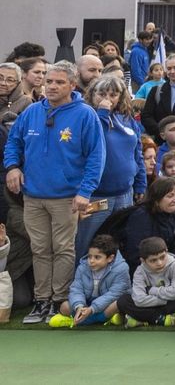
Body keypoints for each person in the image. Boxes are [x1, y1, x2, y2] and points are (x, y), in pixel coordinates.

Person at [4, 62, 106, 324]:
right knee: (39, 249)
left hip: (67, 197)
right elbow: (14, 142)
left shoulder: (85, 114)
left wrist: (85, 191)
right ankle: (41, 301)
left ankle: (59, 299)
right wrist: (12, 167)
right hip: (33, 195)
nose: (52, 86)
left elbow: (96, 156)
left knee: (62, 249)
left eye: (59, 82)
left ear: (72, 85)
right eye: (49, 81)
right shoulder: (32, 111)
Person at [80, 75, 145, 259]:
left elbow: (137, 153)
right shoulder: (87, 118)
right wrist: (102, 113)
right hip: (97, 195)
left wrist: (141, 184)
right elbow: (92, 140)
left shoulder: (127, 119)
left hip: (125, 193)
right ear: (92, 94)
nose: (107, 99)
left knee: (120, 243)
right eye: (102, 94)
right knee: (86, 243)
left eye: (113, 94)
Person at [49, 233, 129, 329]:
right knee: (64, 306)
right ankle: (98, 318)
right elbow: (76, 289)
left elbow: (114, 294)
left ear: (110, 258)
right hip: (87, 304)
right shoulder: (82, 267)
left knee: (117, 305)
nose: (91, 261)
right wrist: (79, 307)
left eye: (97, 257)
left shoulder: (121, 268)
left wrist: (92, 309)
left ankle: (79, 320)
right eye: (89, 256)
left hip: (106, 304)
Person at [116, 236, 175, 327]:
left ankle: (143, 318)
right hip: (157, 303)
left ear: (166, 251)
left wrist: (151, 290)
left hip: (168, 303)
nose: (159, 263)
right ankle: (162, 319)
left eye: (162, 257)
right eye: (153, 260)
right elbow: (139, 300)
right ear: (143, 260)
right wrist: (163, 300)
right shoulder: (139, 272)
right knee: (123, 301)